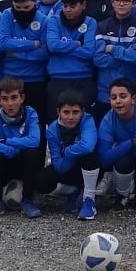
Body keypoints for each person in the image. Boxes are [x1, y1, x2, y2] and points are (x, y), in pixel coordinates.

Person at [0, 78, 44, 219]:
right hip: (5, 164)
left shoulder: (31, 113)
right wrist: (11, 149)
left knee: (32, 154)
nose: (9, 103)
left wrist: (8, 141)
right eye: (5, 98)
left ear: (22, 98)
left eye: (14, 98)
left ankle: (27, 201)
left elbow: (35, 140)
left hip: (23, 165)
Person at [34, 89, 100, 220]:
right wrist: (76, 151)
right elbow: (58, 165)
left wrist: (66, 151)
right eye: (66, 112)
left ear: (82, 112)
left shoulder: (87, 120)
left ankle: (89, 200)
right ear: (58, 112)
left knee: (90, 155)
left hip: (90, 167)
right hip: (67, 167)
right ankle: (73, 191)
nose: (70, 117)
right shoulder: (52, 130)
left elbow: (87, 146)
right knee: (41, 181)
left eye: (75, 112)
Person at [96, 78, 136, 210]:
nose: (118, 101)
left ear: (133, 98)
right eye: (113, 97)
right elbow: (103, 158)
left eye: (123, 96)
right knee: (123, 161)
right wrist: (131, 143)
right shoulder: (108, 119)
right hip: (128, 159)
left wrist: (124, 147)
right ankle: (122, 194)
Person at [0, 0, 50, 113]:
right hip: (10, 78)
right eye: (17, 7)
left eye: (26, 7)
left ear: (35, 1)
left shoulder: (44, 20)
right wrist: (33, 44)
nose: (21, 11)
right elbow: (3, 43)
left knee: (38, 122)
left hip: (36, 79)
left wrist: (17, 54)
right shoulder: (7, 15)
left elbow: (44, 53)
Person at [43, 0, 98, 109]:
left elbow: (89, 51)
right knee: (56, 121)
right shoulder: (54, 21)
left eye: (72, 6)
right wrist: (76, 44)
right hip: (58, 78)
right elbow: (52, 46)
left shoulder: (90, 22)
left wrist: (62, 49)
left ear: (83, 5)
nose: (68, 10)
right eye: (65, 6)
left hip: (83, 79)